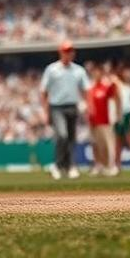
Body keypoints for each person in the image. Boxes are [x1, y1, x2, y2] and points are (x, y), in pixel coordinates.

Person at [40, 40, 89, 180]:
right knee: (62, 135)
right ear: (61, 52)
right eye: (66, 51)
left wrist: (87, 106)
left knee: (71, 138)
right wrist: (45, 111)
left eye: (71, 51)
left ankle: (70, 166)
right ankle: (57, 165)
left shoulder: (79, 70)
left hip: (73, 106)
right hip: (56, 107)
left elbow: (86, 89)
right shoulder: (52, 69)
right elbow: (43, 91)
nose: (69, 54)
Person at [86, 62, 120, 176]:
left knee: (109, 144)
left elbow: (116, 97)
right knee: (97, 145)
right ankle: (100, 165)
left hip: (106, 121)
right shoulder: (91, 88)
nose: (96, 74)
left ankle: (112, 166)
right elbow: (89, 105)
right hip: (94, 122)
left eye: (97, 72)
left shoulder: (107, 86)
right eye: (94, 72)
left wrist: (117, 115)